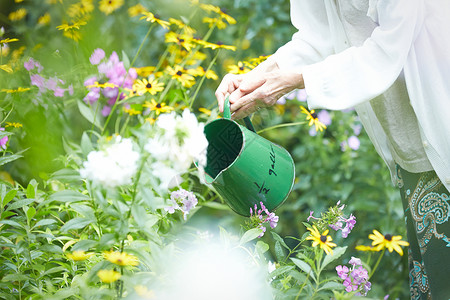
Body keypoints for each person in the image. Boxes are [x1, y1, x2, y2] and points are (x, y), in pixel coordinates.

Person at [215, 0, 450, 298]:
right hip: (414, 153)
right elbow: (319, 37)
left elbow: (389, 47)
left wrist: (297, 81)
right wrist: (254, 79)